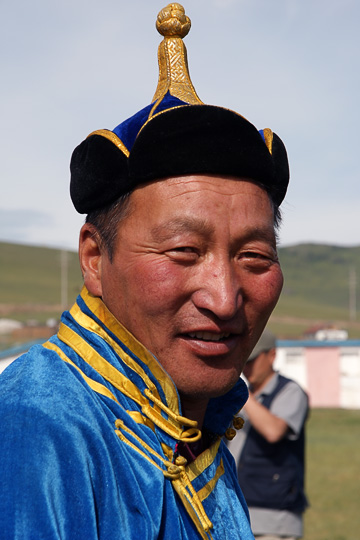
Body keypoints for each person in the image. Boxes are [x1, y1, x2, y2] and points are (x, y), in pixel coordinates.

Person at [0, 4, 290, 540]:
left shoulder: (193, 424)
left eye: (254, 259)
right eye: (182, 251)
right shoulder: (40, 423)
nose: (225, 300)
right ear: (94, 258)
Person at [227, 330, 309, 540]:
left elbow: (273, 431)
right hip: (235, 512)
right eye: (244, 360)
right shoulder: (241, 397)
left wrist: (242, 394)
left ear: (272, 355)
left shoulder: (290, 391)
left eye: (252, 359)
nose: (247, 367)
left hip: (275, 519)